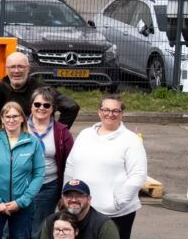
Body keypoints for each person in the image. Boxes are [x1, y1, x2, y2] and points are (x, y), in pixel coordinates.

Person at [62, 96, 146, 239]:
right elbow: (71, 165)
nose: (110, 114)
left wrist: (119, 201)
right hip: (82, 210)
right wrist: (66, 194)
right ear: (99, 112)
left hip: (115, 213)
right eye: (106, 110)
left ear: (122, 113)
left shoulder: (131, 140)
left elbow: (138, 174)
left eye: (115, 111)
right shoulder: (85, 134)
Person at [0, 102, 45, 239]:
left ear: (22, 118)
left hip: (23, 206)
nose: (11, 120)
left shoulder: (33, 142)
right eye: (7, 116)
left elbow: (39, 174)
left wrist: (22, 202)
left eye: (15, 116)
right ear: (2, 118)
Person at [28, 87, 76, 228]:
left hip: (48, 187)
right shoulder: (18, 126)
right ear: (31, 106)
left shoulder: (62, 132)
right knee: (16, 227)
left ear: (53, 108)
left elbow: (70, 163)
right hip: (21, 186)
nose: (41, 108)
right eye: (37, 104)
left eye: (46, 105)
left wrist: (65, 193)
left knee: (40, 227)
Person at [0, 53, 79, 126]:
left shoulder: (42, 91)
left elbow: (71, 107)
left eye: (21, 67)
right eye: (12, 67)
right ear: (6, 69)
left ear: (28, 68)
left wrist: (57, 132)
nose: (16, 71)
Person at [38, 180, 119, 239]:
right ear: (62, 199)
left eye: (79, 196)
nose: (73, 200)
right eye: (69, 196)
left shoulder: (103, 225)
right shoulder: (51, 221)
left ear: (89, 199)